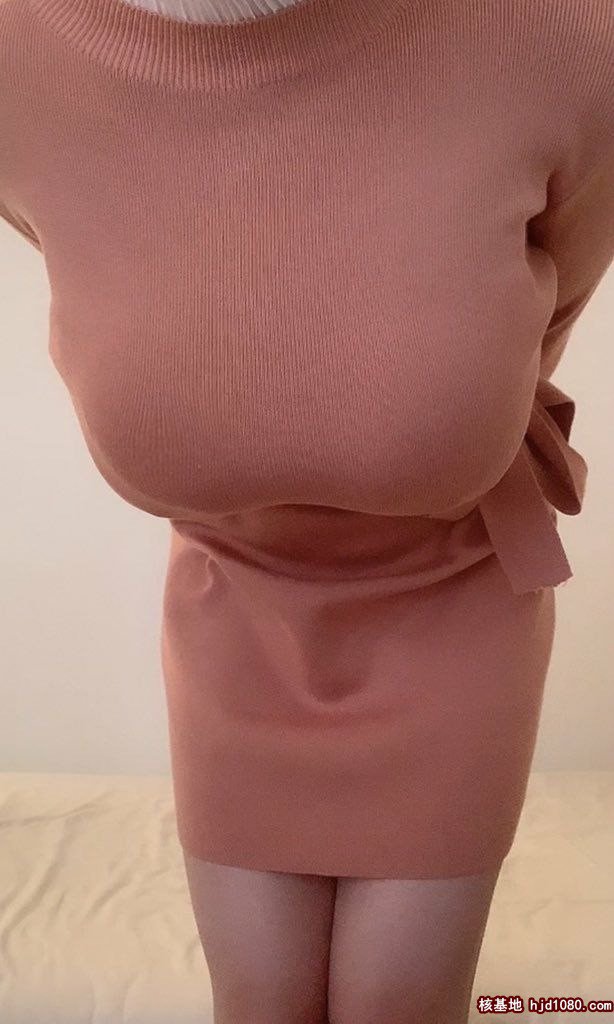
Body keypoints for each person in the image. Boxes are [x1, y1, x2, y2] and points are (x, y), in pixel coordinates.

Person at [1, 0, 613, 1021]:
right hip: (233, 621)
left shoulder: (563, 35)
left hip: (453, 602)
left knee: (396, 1003)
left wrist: (437, 404)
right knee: (259, 1000)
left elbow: (550, 300)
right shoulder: (18, 58)